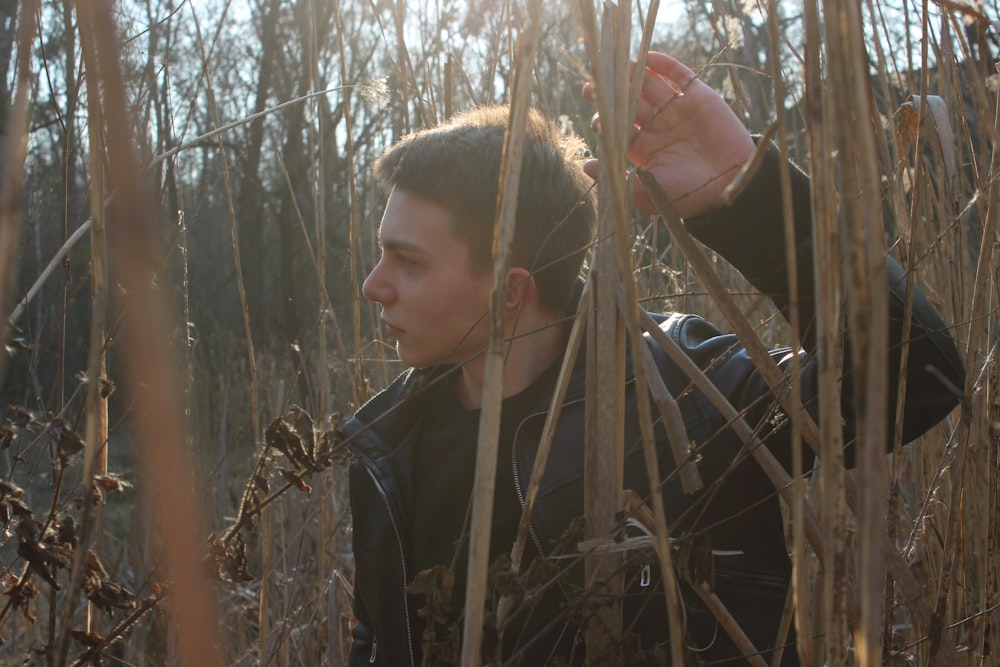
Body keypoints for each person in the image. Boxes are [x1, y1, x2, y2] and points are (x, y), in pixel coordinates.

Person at [344, 52, 964, 666]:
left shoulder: (686, 398)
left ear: (511, 290)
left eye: (409, 262)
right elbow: (377, 642)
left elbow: (915, 374)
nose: (374, 285)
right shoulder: (387, 443)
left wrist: (749, 196)